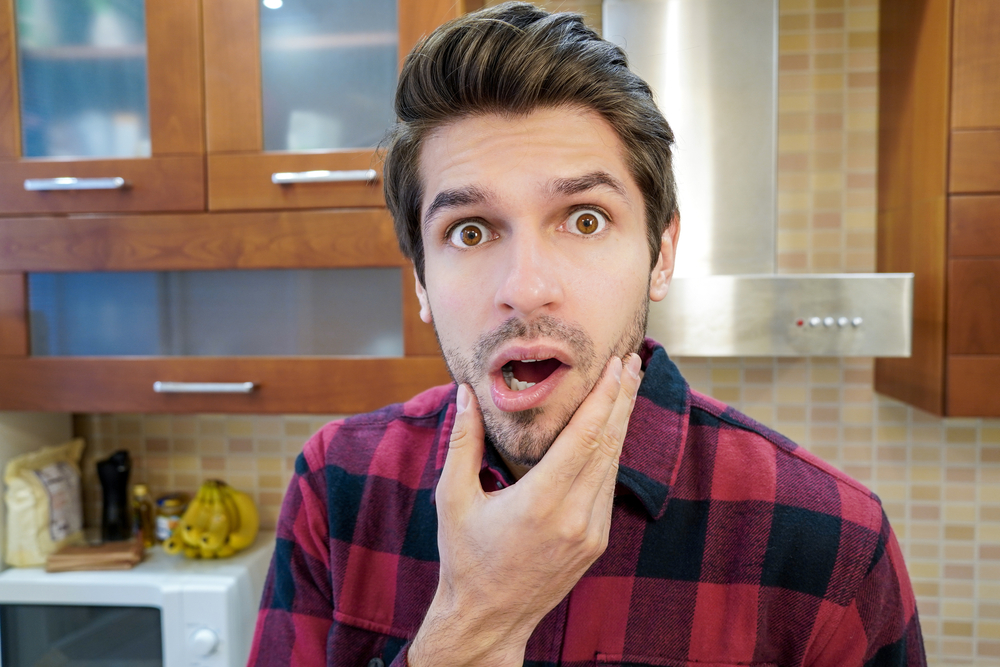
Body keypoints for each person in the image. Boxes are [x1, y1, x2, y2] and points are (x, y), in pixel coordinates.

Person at [248, 3, 926, 666]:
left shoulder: (831, 544)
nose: (527, 286)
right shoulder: (338, 486)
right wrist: (473, 623)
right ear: (421, 281)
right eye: (470, 231)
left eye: (584, 219)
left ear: (661, 255)